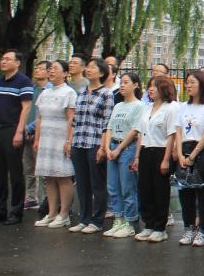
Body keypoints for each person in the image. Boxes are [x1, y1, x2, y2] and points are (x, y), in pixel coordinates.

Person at [0, 49, 33, 225]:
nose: (3, 61)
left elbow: (26, 108)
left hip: (12, 129)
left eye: (8, 59)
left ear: (17, 63)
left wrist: (19, 132)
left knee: (15, 172)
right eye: (2, 59)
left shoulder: (23, 81)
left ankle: (16, 211)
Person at [131, 75, 179, 242]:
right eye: (149, 86)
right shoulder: (146, 108)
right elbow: (141, 134)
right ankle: (149, 225)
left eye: (154, 86)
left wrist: (166, 159)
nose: (150, 89)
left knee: (160, 190)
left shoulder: (170, 108)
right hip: (145, 150)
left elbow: (171, 135)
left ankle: (160, 227)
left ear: (163, 89)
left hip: (160, 151)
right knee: (145, 189)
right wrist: (137, 156)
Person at [69, 58, 113, 234]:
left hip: (95, 143)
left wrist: (103, 147)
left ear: (101, 73)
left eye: (93, 67)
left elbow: (107, 123)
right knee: (82, 184)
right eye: (88, 67)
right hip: (78, 141)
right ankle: (84, 219)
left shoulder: (106, 94)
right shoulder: (81, 92)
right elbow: (75, 120)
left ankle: (97, 220)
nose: (89, 69)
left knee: (97, 184)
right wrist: (70, 141)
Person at [174, 69, 204, 247]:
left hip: (201, 151)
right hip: (183, 150)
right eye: (187, 82)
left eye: (192, 82)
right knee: (184, 192)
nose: (188, 85)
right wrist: (179, 154)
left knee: (202, 193)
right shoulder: (182, 106)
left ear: (202, 84)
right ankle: (188, 227)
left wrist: (193, 155)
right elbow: (178, 131)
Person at [33, 61, 78, 229]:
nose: (51, 71)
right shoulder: (44, 93)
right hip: (46, 139)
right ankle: (51, 213)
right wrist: (37, 139)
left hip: (60, 139)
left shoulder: (69, 92)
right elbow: (40, 118)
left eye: (55, 69)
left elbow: (71, 119)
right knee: (49, 176)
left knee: (63, 175)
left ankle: (64, 213)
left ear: (65, 73)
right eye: (50, 69)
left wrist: (69, 140)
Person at [101, 72, 144, 239]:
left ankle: (129, 222)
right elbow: (109, 127)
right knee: (112, 186)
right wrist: (107, 147)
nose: (122, 85)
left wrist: (118, 149)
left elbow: (135, 131)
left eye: (126, 82)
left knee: (127, 187)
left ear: (136, 85)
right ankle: (118, 219)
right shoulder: (118, 105)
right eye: (121, 82)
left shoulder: (139, 106)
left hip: (127, 149)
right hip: (113, 146)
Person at [23, 61, 50, 213]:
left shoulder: (49, 90)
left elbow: (43, 115)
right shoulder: (31, 90)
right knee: (29, 168)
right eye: (36, 68)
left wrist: (29, 127)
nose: (37, 70)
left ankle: (47, 200)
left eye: (41, 68)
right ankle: (31, 198)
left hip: (41, 133)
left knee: (43, 170)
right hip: (26, 132)